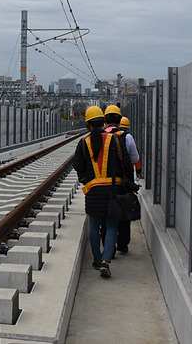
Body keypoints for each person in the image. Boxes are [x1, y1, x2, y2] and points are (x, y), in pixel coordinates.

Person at [73, 105, 134, 278]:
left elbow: (78, 166)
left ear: (87, 125)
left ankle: (97, 259)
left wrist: (86, 179)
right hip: (113, 190)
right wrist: (129, 182)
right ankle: (106, 261)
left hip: (93, 191)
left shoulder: (83, 143)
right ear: (104, 121)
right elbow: (127, 163)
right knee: (112, 225)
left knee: (94, 224)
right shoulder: (115, 139)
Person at [102, 106, 140, 255]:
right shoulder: (127, 137)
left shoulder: (100, 135)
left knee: (106, 215)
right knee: (124, 213)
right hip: (123, 182)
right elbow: (135, 159)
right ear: (119, 120)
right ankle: (122, 244)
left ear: (105, 120)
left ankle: (107, 248)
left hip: (104, 180)